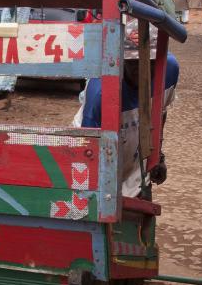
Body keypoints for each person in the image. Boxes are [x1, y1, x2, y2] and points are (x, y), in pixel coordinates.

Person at [75, 20, 179, 197]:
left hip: (137, 167)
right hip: (101, 160)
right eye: (133, 63)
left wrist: (157, 156)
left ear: (159, 59)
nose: (140, 70)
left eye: (148, 62)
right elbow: (88, 151)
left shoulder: (168, 73)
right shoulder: (101, 92)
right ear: (121, 60)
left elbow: (160, 113)